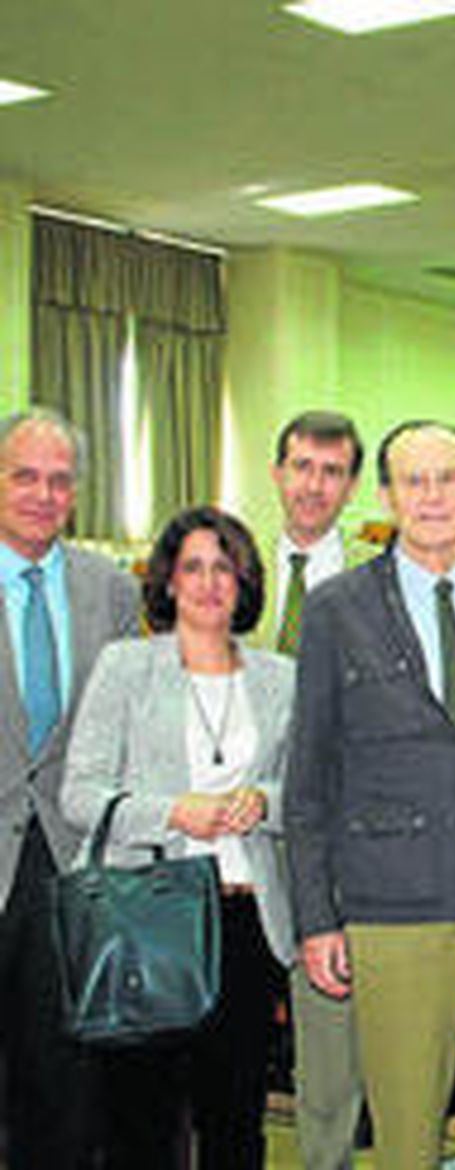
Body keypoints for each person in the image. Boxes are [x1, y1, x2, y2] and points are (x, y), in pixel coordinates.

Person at [285, 420, 455, 1170]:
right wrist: (317, 918)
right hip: (394, 899)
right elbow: (308, 774)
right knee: (407, 1126)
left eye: (448, 478)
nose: (433, 496)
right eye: (414, 481)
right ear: (385, 497)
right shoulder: (338, 608)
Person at [62, 506, 295, 1170]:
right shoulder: (125, 666)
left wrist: (264, 802)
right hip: (148, 917)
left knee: (235, 1125)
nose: (209, 582)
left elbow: (305, 795)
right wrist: (172, 813)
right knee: (141, 1126)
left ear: (245, 583)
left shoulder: (283, 677)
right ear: (167, 581)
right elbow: (79, 794)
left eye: (225, 568)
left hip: (246, 923)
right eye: (193, 567)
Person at [0, 408, 139, 1169]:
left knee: (61, 1083)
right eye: (24, 476)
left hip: (71, 863)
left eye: (59, 481)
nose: (43, 495)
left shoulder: (111, 590)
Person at [256, 409, 373, 1170]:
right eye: (302, 466)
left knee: (330, 1058)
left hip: (333, 845)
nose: (313, 485)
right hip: (232, 847)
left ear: (353, 486)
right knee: (227, 1051)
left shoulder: (380, 580)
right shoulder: (226, 568)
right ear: (278, 472)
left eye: (332, 472)